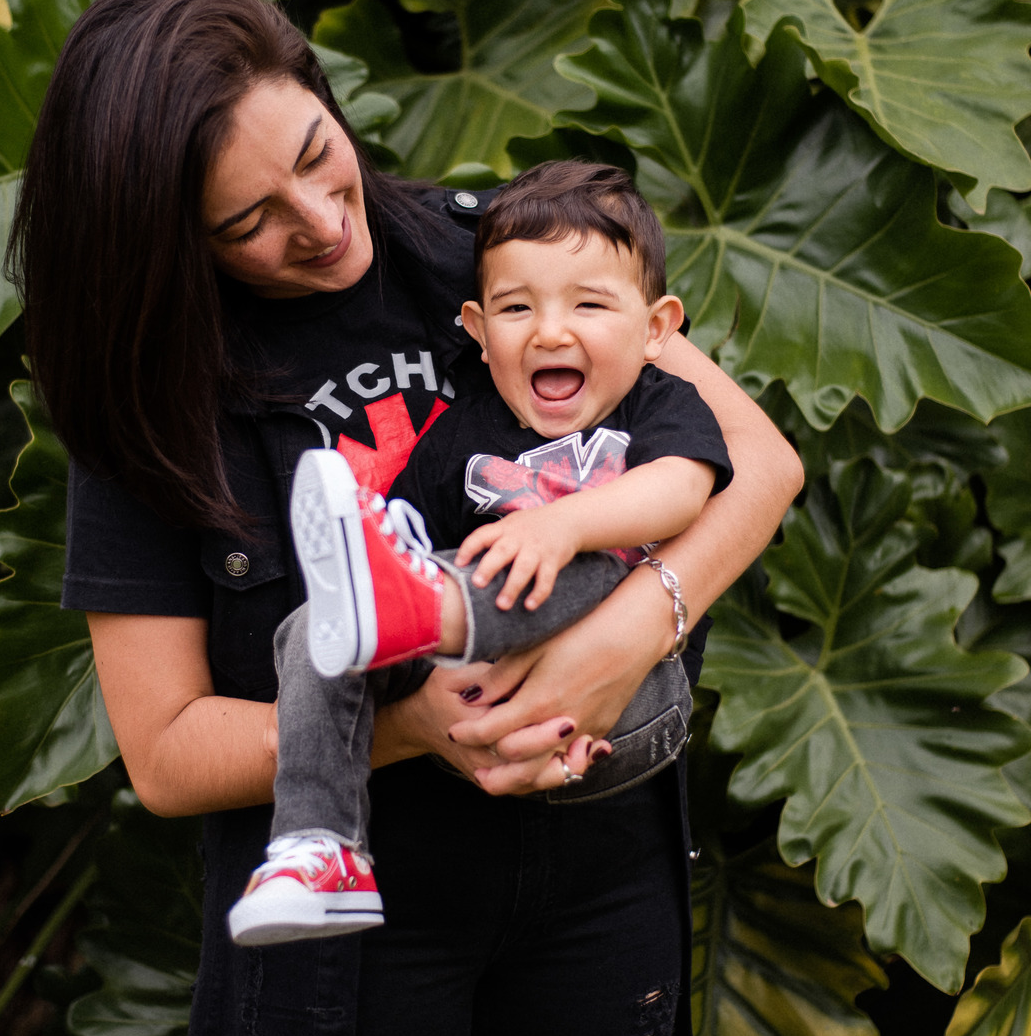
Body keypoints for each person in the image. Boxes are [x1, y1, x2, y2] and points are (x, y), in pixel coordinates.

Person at [10, 0, 804, 1036]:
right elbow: (164, 748)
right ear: (167, 243)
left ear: (327, 98)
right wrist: (411, 726)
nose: (323, 225)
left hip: (588, 890)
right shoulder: (151, 402)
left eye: (321, 159)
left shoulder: (489, 252)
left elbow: (755, 465)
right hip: (364, 936)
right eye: (249, 223)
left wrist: (619, 638)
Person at [230, 161, 733, 948]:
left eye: (590, 304)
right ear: (476, 329)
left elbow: (682, 490)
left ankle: (419, 606)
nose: (550, 331)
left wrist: (563, 525)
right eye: (516, 308)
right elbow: (424, 544)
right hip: (484, 712)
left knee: (578, 562)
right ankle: (321, 846)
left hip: (623, 704)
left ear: (657, 328)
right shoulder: (462, 434)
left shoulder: (655, 402)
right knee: (313, 629)